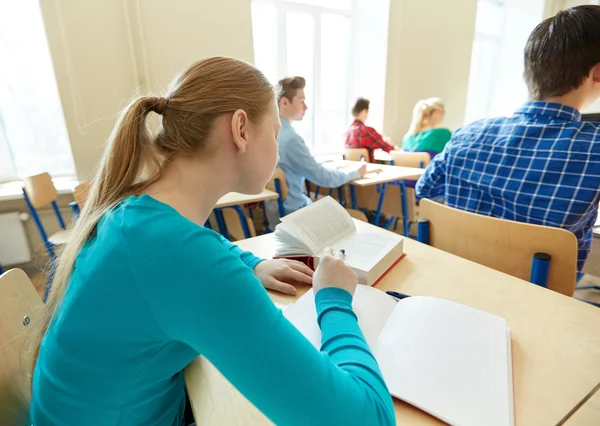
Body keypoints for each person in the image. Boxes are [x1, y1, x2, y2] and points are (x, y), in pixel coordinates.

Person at [30, 58, 395, 426]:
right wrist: (333, 297)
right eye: (274, 132)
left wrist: (253, 263)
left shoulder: (136, 213)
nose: (279, 150)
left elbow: (203, 245)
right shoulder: (181, 255)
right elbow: (367, 420)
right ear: (240, 129)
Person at [416, 5, 600, 273]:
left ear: (527, 73)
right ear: (597, 73)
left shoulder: (466, 134)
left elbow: (426, 193)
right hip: (534, 304)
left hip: (450, 285)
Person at [266, 77, 366, 225]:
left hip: (275, 214)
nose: (306, 107)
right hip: (295, 218)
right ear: (285, 102)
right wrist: (356, 173)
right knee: (359, 218)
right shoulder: (292, 140)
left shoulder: (270, 133)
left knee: (318, 199)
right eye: (301, 101)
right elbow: (323, 178)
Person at [344, 97, 396, 163]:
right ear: (364, 111)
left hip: (352, 171)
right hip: (367, 170)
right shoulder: (367, 131)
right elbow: (387, 148)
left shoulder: (347, 131)